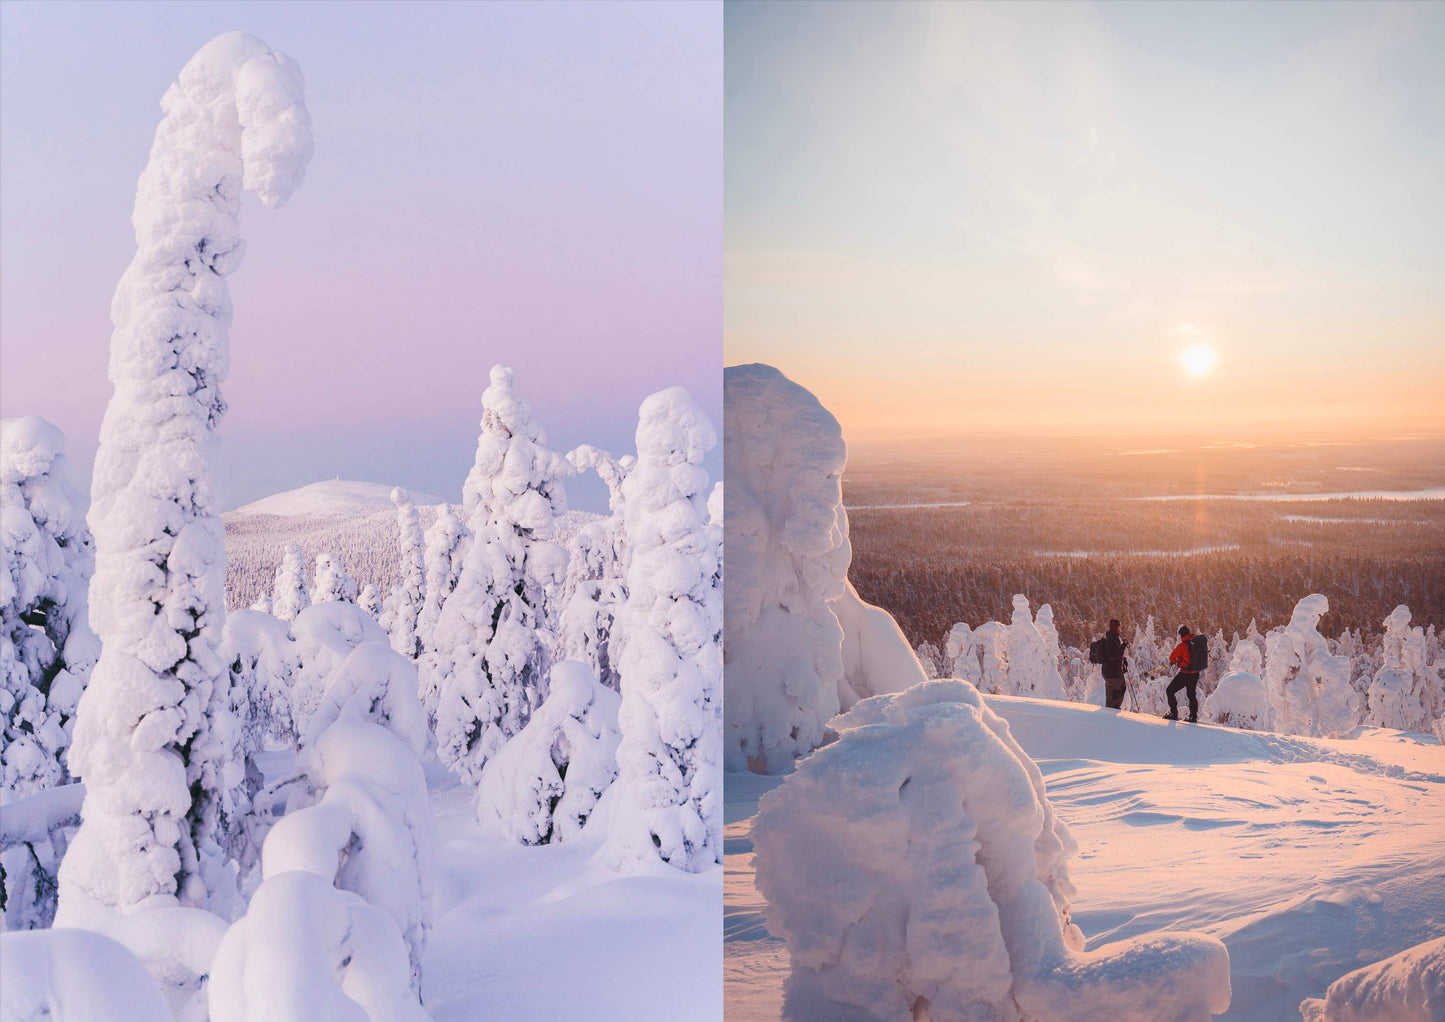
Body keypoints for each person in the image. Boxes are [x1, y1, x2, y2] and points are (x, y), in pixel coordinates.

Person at [1165, 625, 1200, 722]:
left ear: (1181, 635)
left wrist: (1176, 661)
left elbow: (1172, 657)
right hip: (1195, 674)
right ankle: (1193, 716)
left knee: (1170, 691)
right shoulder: (1196, 644)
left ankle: (1174, 713)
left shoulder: (1182, 646)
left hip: (1185, 673)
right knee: (1191, 695)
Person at [1099, 618, 1129, 709]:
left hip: (1116, 671)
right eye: (1119, 626)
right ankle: (1110, 713)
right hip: (1111, 672)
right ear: (1116, 627)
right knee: (1114, 694)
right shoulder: (1110, 639)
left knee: (1122, 688)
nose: (1121, 628)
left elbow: (1116, 655)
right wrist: (1123, 646)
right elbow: (1112, 656)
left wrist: (1123, 661)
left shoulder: (1115, 638)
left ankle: (1115, 710)